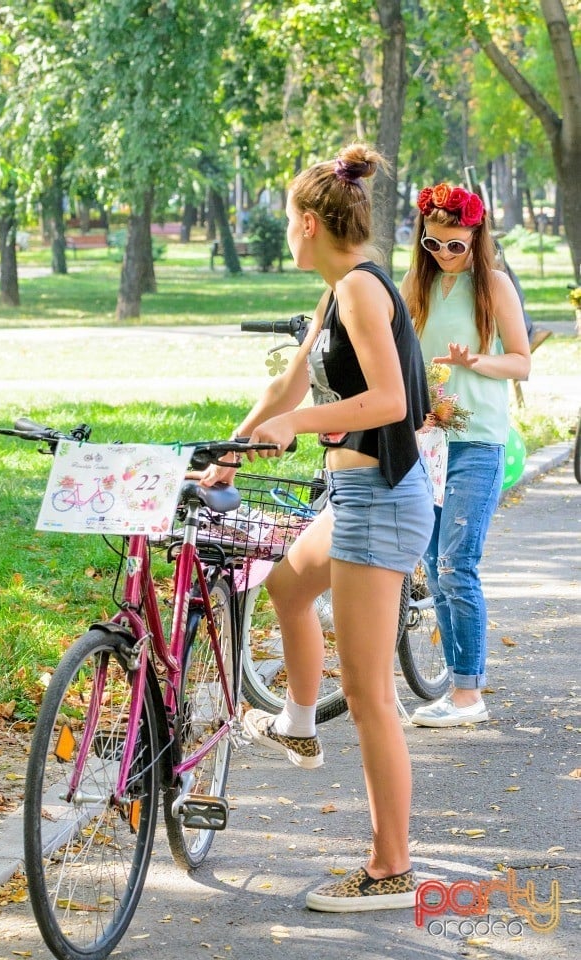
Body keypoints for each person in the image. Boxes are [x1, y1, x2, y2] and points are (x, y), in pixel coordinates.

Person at [201, 143, 435, 913]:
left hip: (382, 503)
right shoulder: (339, 294)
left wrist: (300, 423)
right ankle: (299, 721)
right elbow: (289, 380)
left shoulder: (364, 292)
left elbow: (393, 403)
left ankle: (390, 868)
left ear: (308, 222)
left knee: (369, 695)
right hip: (353, 503)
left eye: (286, 222)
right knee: (286, 586)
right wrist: (233, 451)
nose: (285, 235)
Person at [400, 183, 531, 728]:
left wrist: (474, 360)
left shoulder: (493, 285)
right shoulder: (415, 285)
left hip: (478, 439)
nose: (445, 256)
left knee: (457, 562)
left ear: (476, 238)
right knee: (434, 563)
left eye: (455, 245)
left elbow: (521, 363)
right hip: (427, 441)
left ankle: (468, 693)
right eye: (434, 246)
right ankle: (455, 688)